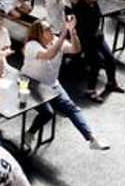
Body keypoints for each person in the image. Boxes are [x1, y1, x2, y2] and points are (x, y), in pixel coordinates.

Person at [22, 18, 109, 150]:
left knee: (72, 109)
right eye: (47, 29)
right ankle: (29, 133)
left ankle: (92, 139)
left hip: (51, 84)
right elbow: (48, 55)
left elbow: (75, 49)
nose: (51, 30)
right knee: (47, 113)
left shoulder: (57, 41)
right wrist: (63, 36)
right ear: (38, 34)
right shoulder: (32, 45)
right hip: (30, 84)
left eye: (50, 27)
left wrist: (72, 32)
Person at [71, 0, 122, 103]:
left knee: (109, 57)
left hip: (97, 36)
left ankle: (111, 83)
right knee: (96, 62)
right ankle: (90, 90)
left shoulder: (94, 1)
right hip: (85, 39)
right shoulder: (79, 6)